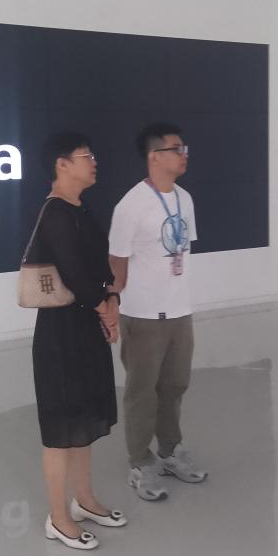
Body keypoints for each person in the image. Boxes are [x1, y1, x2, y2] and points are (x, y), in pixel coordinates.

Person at [28, 132, 125, 550]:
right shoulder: (55, 214)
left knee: (84, 419)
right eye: (86, 156)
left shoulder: (82, 210)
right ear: (62, 165)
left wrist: (112, 299)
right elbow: (73, 274)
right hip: (60, 334)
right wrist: (105, 307)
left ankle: (84, 500)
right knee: (60, 428)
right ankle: (58, 517)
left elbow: (101, 268)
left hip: (86, 326)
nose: (94, 162)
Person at [109, 122, 208, 502]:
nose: (183, 155)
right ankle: (140, 462)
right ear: (154, 156)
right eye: (175, 149)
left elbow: (181, 250)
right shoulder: (130, 206)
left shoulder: (185, 199)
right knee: (142, 392)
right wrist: (115, 306)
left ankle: (169, 450)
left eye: (184, 148)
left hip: (180, 311)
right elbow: (116, 261)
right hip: (143, 315)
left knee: (174, 386)